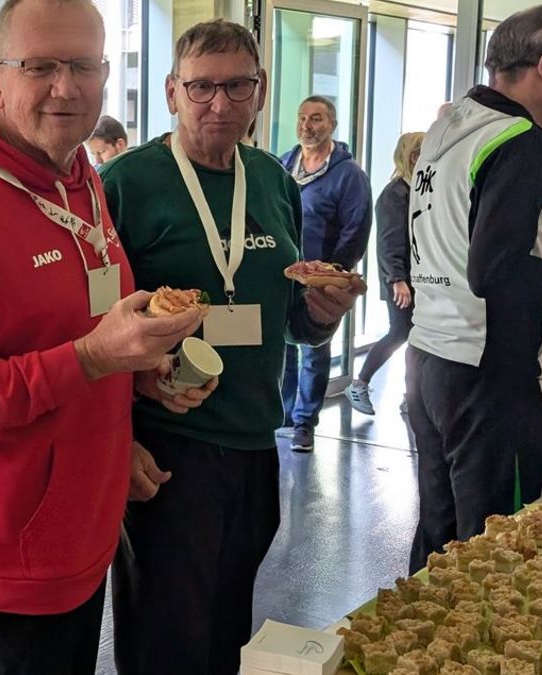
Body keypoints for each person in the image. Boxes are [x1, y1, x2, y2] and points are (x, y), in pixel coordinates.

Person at [0, 1, 209, 672]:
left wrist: (141, 372)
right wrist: (93, 358)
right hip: (17, 559)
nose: (66, 87)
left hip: (89, 530)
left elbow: (77, 333)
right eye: (40, 66)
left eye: (84, 66)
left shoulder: (82, 181)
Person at [100, 19, 364, 674]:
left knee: (225, 627)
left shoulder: (274, 182)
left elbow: (292, 322)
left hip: (254, 441)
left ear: (260, 90)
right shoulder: (126, 185)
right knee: (163, 637)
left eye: (237, 86)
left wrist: (323, 316)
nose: (219, 103)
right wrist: (116, 439)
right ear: (172, 91)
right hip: (166, 447)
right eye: (202, 87)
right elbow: (95, 330)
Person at [406, 4, 542, 572]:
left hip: (430, 357)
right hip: (486, 373)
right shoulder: (520, 139)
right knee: (496, 552)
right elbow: (493, 270)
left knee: (440, 540)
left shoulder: (451, 126)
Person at [279, 95, 372, 452]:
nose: (307, 125)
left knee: (314, 351)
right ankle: (285, 415)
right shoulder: (283, 164)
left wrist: (333, 276)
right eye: (302, 117)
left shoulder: (348, 174)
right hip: (283, 276)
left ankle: (305, 423)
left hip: (320, 281)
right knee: (283, 348)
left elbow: (355, 229)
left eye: (316, 118)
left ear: (332, 124)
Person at [345, 132, 424, 415]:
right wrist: (397, 279)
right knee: (400, 333)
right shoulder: (395, 195)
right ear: (413, 157)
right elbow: (389, 241)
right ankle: (360, 383)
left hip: (415, 278)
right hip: (402, 281)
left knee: (415, 337)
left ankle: (412, 396)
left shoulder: (417, 191)